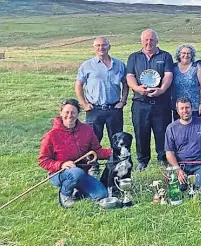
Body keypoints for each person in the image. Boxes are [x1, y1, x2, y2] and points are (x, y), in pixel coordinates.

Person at [38, 99, 111, 208]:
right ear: (61, 113)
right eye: (66, 112)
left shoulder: (87, 130)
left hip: (81, 172)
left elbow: (96, 151)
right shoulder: (51, 135)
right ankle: (65, 194)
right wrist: (61, 164)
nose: (70, 115)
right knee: (76, 173)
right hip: (59, 173)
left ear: (78, 114)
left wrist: (112, 152)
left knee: (102, 194)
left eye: (73, 112)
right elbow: (43, 160)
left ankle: (77, 190)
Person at [74, 37, 129, 175]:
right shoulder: (87, 65)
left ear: (109, 46)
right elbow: (78, 85)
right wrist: (84, 104)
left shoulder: (119, 65)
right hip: (94, 109)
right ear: (94, 47)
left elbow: (126, 84)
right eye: (98, 45)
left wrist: (122, 101)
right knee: (92, 139)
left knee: (117, 139)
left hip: (114, 109)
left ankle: (116, 163)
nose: (101, 48)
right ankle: (93, 165)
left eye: (104, 45)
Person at [126, 29, 174, 171]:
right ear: (141, 41)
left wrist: (162, 89)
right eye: (146, 40)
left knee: (162, 131)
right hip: (140, 102)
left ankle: (163, 158)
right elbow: (130, 76)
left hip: (161, 102)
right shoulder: (133, 57)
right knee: (141, 132)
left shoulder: (165, 56)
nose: (149, 42)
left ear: (157, 41)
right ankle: (142, 160)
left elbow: (168, 75)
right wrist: (137, 88)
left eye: (152, 40)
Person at [165, 97, 201, 190]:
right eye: (182, 108)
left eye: (187, 107)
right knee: (177, 187)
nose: (185, 111)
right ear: (177, 111)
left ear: (192, 108)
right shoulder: (171, 128)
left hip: (199, 165)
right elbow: (169, 153)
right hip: (181, 165)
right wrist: (177, 170)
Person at [171, 43, 201, 120]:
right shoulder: (173, 67)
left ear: (192, 55)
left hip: (194, 107)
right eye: (183, 53)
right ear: (179, 55)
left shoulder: (196, 67)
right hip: (178, 107)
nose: (186, 55)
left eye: (188, 53)